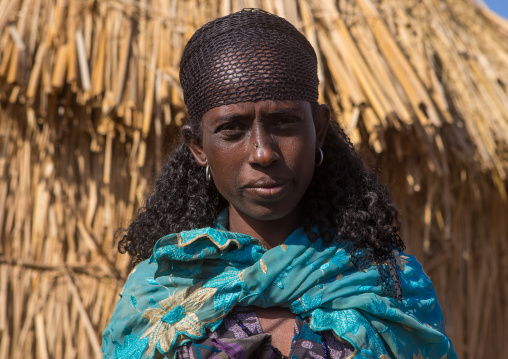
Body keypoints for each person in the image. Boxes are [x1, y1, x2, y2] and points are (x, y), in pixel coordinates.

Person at [102, 8, 456, 359]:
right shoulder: (155, 298)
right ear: (198, 147)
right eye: (232, 129)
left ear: (318, 129)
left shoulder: (391, 287)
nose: (263, 152)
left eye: (284, 122)